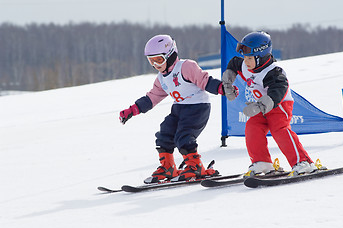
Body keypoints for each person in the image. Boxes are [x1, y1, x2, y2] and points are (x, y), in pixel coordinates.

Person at [119, 34, 239, 183]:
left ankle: (195, 167)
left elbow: (204, 81)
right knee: (165, 134)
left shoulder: (186, 67)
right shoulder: (162, 78)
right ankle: (168, 167)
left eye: (158, 60)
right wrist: (133, 110)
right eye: (151, 61)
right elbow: (152, 97)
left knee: (184, 136)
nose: (156, 65)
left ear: (170, 55)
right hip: (179, 109)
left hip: (197, 107)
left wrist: (221, 88)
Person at [222, 31, 320, 176]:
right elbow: (234, 64)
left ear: (261, 57)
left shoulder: (273, 72)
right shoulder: (245, 65)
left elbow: (277, 91)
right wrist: (228, 80)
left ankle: (303, 162)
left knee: (279, 130)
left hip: (279, 106)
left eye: (249, 58)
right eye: (245, 57)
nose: (245, 61)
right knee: (252, 127)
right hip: (260, 107)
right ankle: (262, 163)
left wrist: (260, 106)